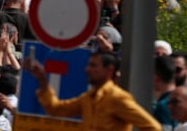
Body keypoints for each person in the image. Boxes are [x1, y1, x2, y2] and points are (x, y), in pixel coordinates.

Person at [23, 51, 160, 131]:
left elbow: (152, 127)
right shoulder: (88, 98)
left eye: (93, 66)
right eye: (88, 65)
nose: (87, 70)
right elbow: (55, 109)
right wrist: (42, 79)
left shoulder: (118, 98)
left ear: (109, 70)